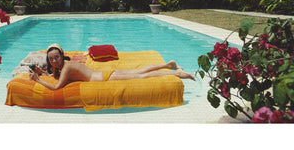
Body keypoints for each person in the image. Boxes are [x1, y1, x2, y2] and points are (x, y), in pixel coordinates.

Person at [28, 43, 195, 91]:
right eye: (51, 59)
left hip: (105, 78)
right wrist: (42, 73)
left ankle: (177, 75)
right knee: (138, 71)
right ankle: (168, 65)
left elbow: (57, 87)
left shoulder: (65, 68)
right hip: (104, 73)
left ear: (62, 55)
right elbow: (54, 75)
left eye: (56, 57)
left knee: (140, 76)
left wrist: (37, 80)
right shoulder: (64, 66)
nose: (54, 61)